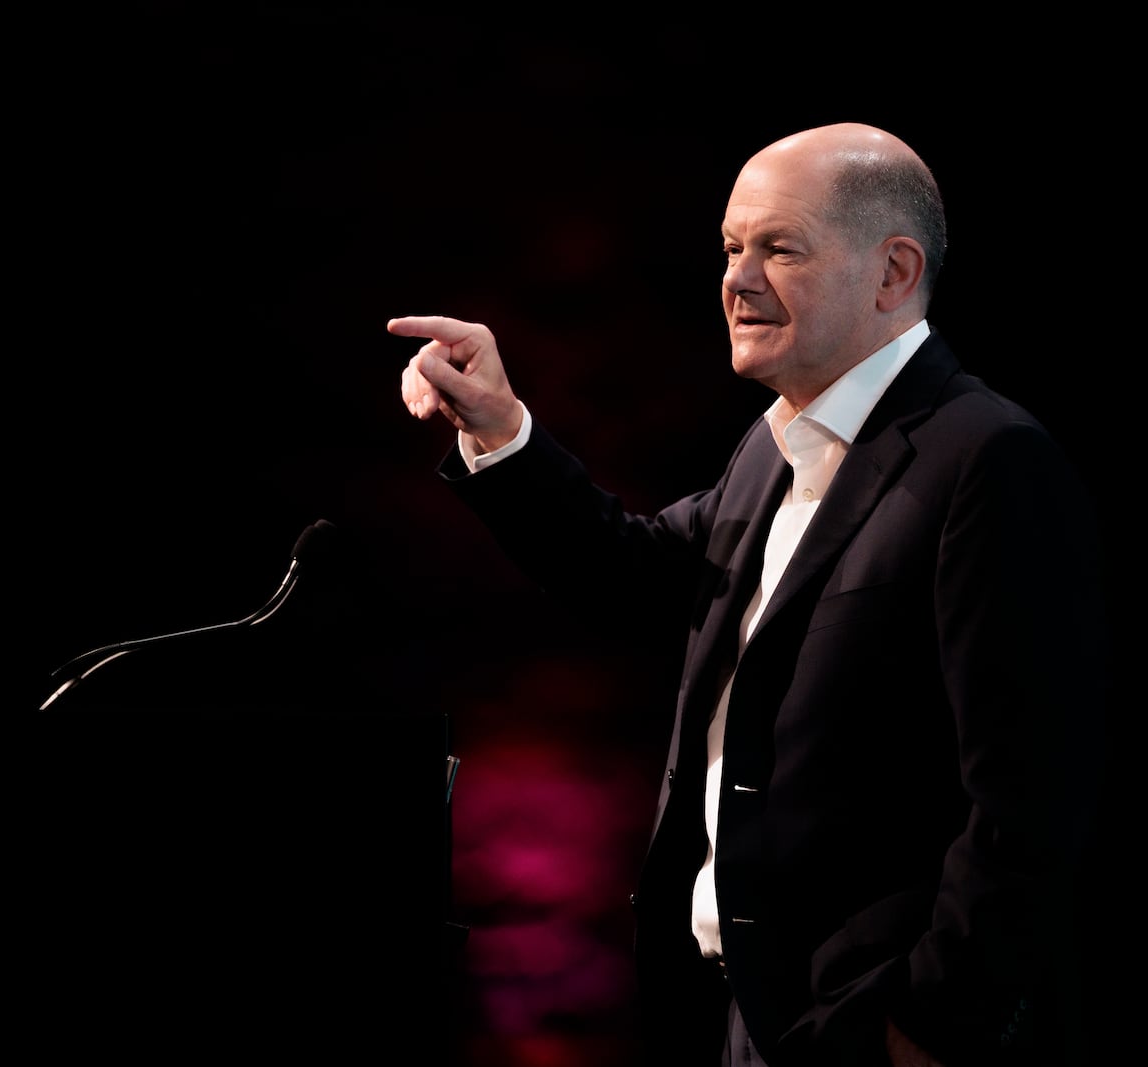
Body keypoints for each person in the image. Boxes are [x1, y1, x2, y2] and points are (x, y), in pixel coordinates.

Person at [388, 123, 1107, 1065]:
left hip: (872, 1027)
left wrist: (926, 1029)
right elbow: (636, 581)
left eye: (779, 248)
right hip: (746, 1018)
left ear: (893, 273)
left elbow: (1033, 798)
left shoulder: (987, 461)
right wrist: (502, 430)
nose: (738, 278)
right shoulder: (771, 448)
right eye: (732, 248)